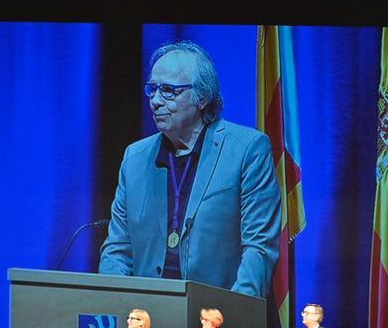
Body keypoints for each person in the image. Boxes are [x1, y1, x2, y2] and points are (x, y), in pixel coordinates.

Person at [99, 40, 281, 298]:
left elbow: (258, 250)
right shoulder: (135, 158)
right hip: (149, 322)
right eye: (152, 89)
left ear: (203, 97)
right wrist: (117, 308)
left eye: (168, 90)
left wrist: (224, 324)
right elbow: (118, 249)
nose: (156, 101)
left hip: (220, 323)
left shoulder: (248, 150)